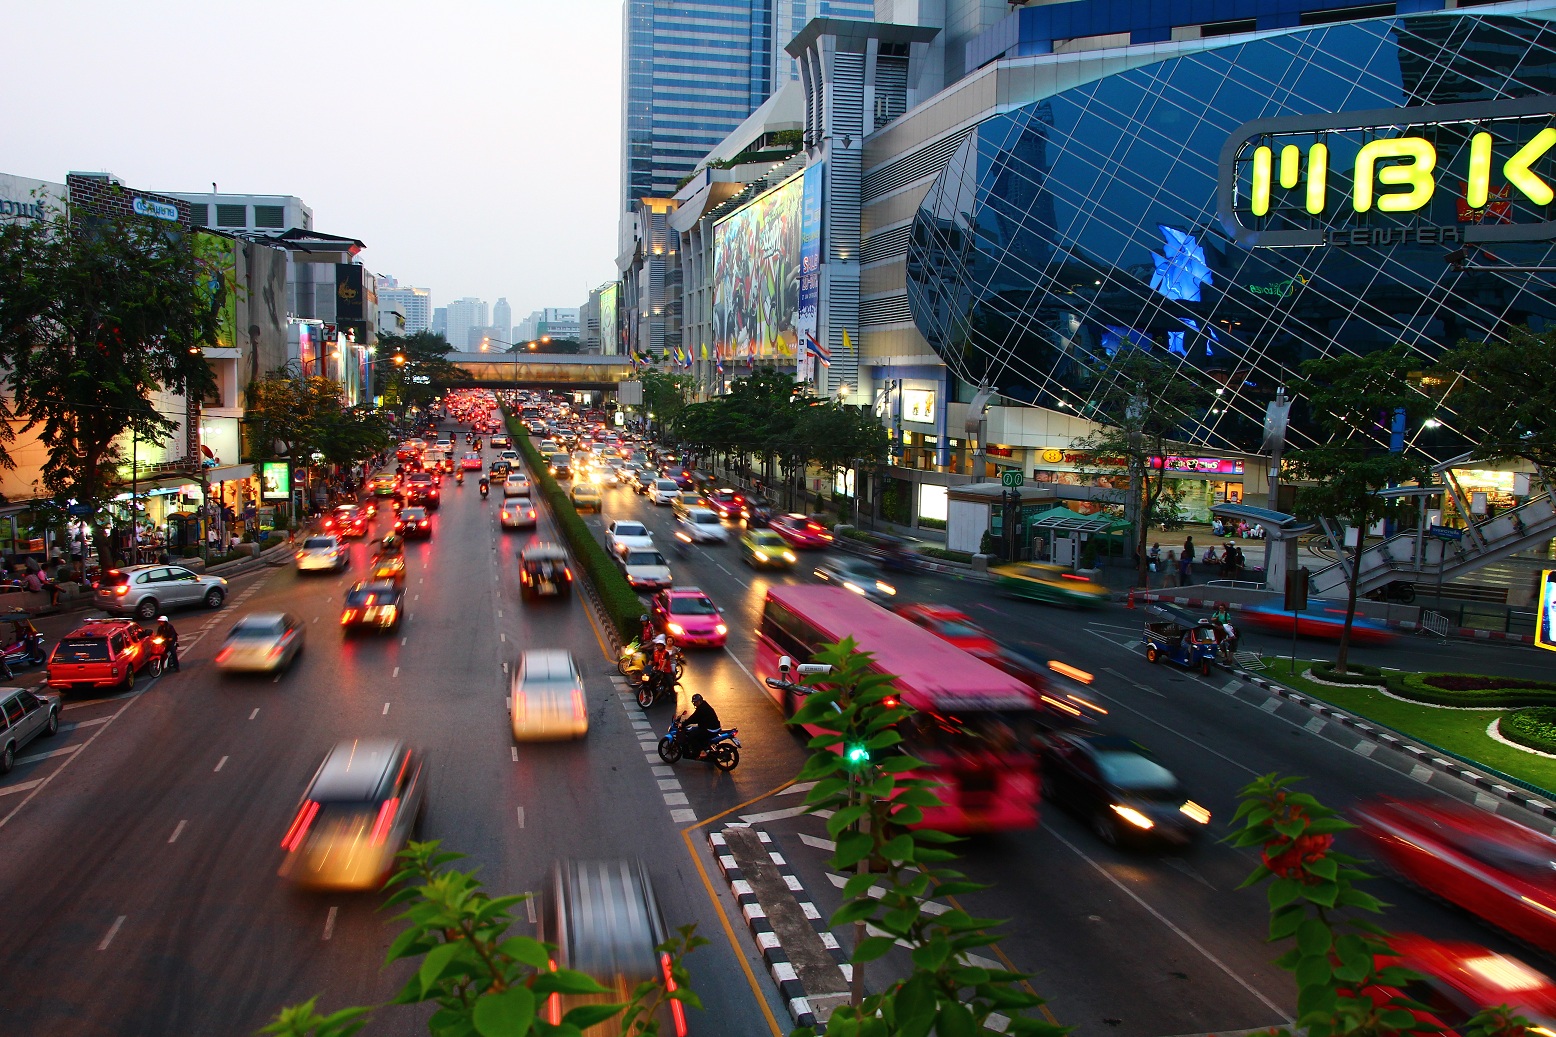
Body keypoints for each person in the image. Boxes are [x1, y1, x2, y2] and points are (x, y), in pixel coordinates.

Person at [682, 693, 721, 758]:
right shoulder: (704, 706)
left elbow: (693, 718)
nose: (695, 704)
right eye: (694, 702)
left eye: (696, 702)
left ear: (700, 701)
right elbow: (695, 719)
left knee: (691, 735)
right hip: (711, 727)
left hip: (710, 729)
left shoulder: (702, 708)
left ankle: (702, 751)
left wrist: (684, 724)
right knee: (695, 730)